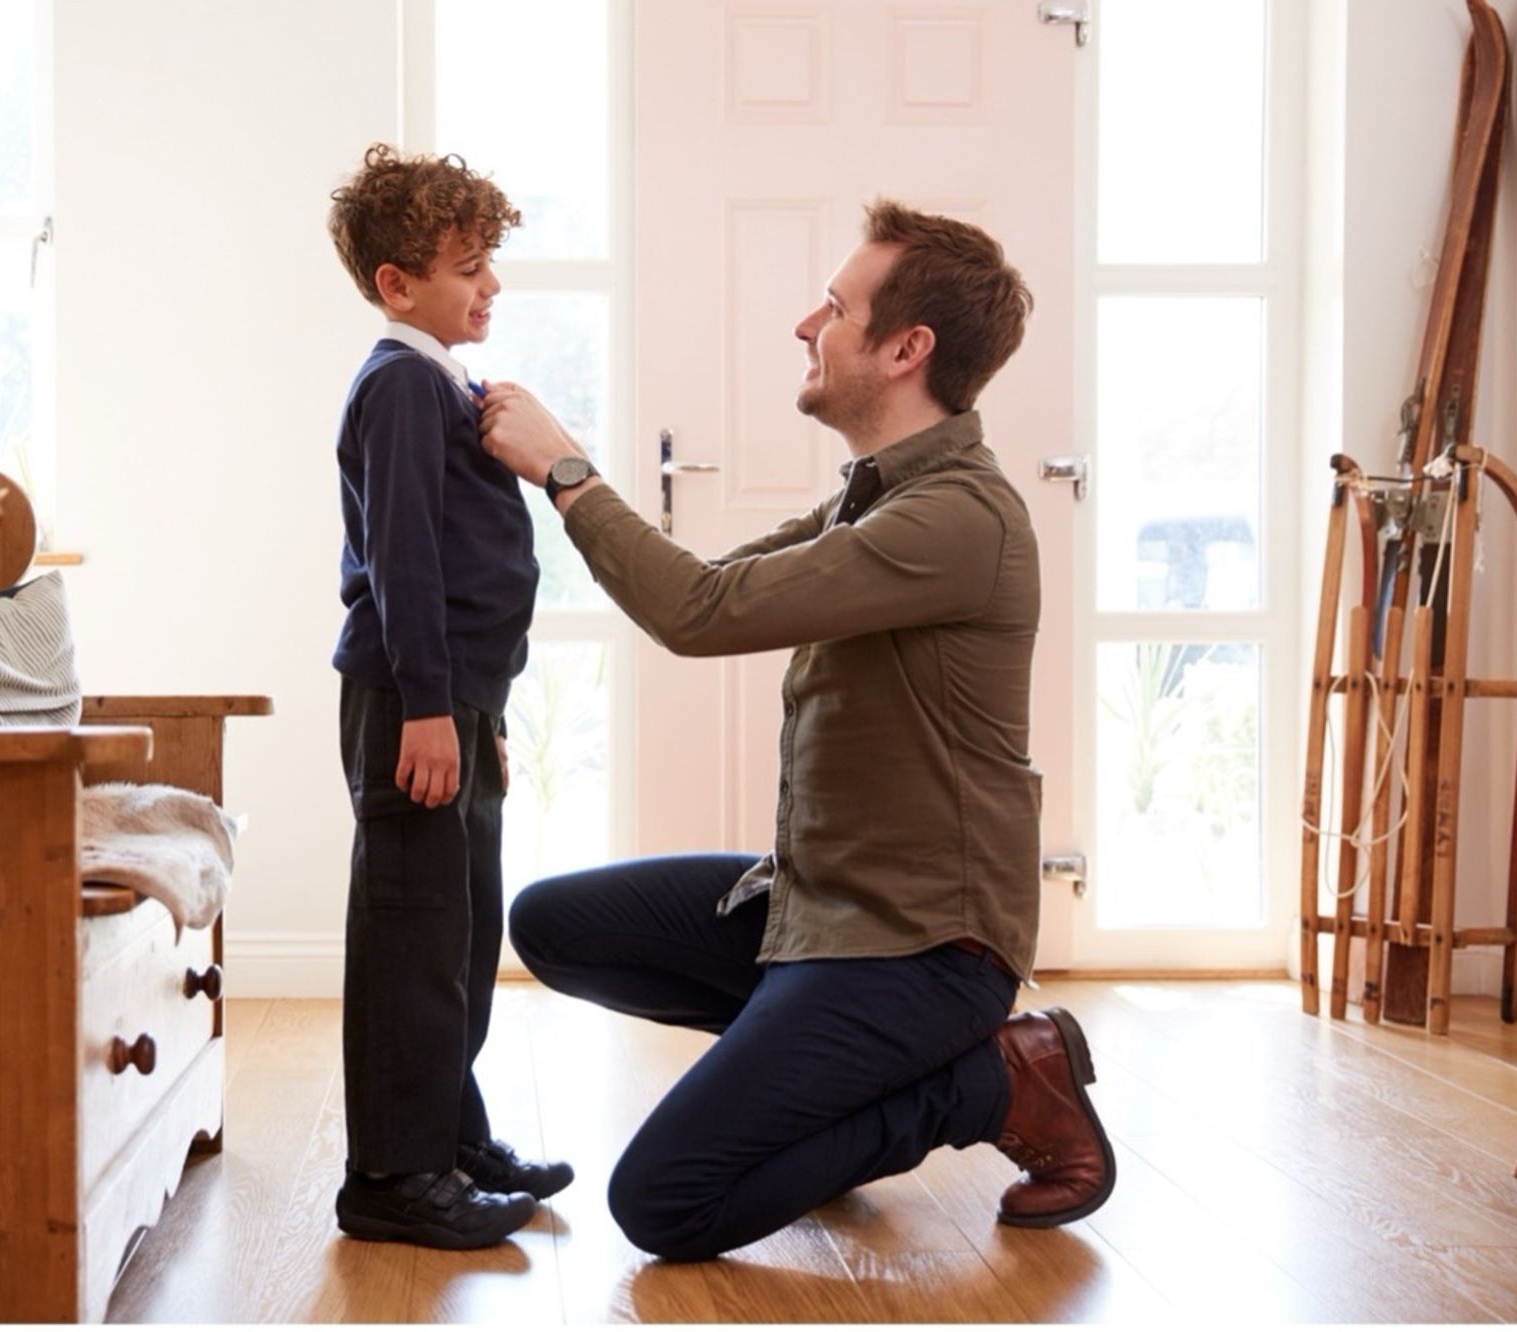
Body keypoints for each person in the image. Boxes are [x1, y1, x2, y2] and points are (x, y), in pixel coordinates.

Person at [476, 200, 1114, 1261]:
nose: (801, 325)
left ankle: (991, 1079)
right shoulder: (869, 500)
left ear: (905, 349)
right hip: (817, 907)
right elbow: (712, 584)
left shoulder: (958, 517)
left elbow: (694, 616)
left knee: (664, 1203)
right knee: (553, 924)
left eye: (833, 306)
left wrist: (565, 468)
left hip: (919, 950)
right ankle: (815, 1102)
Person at [324, 143, 573, 1250]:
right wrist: (429, 706)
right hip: (410, 701)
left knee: (461, 934)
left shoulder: (440, 382)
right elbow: (406, 558)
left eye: (489, 262)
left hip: (454, 702)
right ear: (396, 282)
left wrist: (479, 713)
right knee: (412, 936)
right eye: (467, 265)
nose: (491, 285)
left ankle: (448, 1133)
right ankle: (391, 1173)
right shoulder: (398, 387)